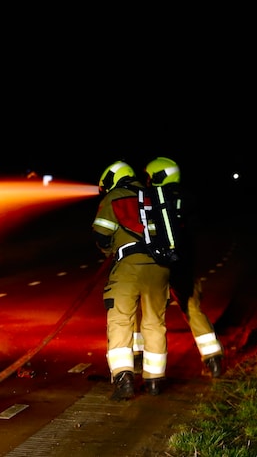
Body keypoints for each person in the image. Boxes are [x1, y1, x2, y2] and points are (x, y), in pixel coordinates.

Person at [93, 160, 171, 400]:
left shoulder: (114, 197)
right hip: (159, 267)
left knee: (120, 321)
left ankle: (124, 378)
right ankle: (154, 381)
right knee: (154, 323)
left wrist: (110, 252)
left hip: (128, 266)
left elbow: (102, 233)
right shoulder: (154, 196)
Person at [144, 156, 225, 378]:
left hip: (159, 265)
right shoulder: (189, 198)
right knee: (193, 309)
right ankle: (214, 359)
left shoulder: (153, 198)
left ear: (159, 176)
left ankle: (147, 370)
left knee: (152, 315)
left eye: (150, 176)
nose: (148, 181)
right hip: (185, 264)